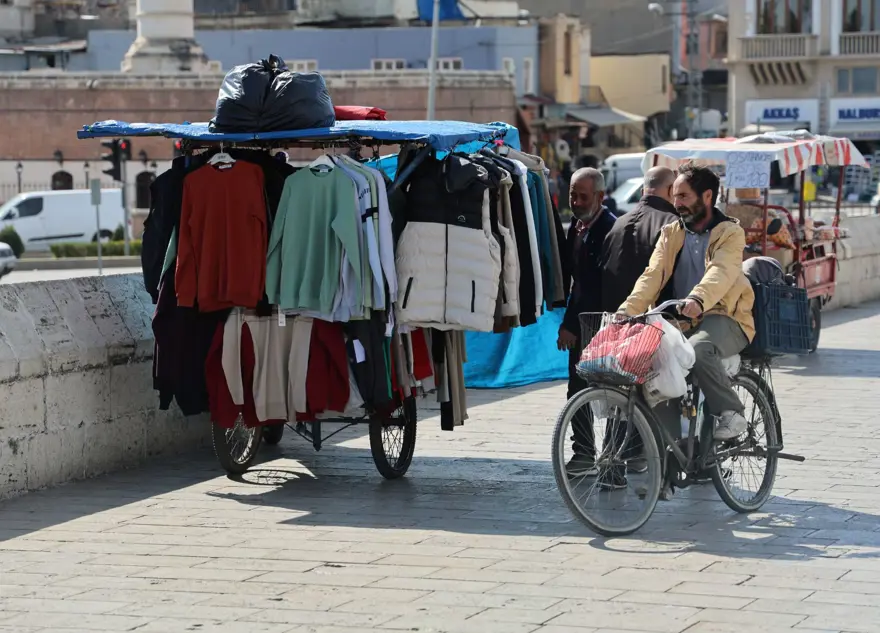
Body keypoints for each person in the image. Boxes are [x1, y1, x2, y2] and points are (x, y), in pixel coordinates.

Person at [619, 162, 756, 445]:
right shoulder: (671, 232)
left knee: (699, 349)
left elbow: (721, 271)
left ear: (707, 196)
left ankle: (732, 412)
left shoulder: (730, 233)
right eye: (675, 196)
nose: (677, 203)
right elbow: (652, 275)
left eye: (683, 196)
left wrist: (698, 298)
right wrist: (627, 310)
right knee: (656, 368)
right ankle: (672, 453)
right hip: (680, 321)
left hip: (725, 317)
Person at [556, 168, 618, 484]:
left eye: (583, 196)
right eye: (573, 195)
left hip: (604, 323)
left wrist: (570, 324)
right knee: (577, 389)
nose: (577, 202)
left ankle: (616, 457)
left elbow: (593, 286)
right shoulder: (577, 227)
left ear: (600, 196)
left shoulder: (610, 229)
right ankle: (583, 452)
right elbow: (575, 281)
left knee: (612, 392)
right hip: (583, 322)